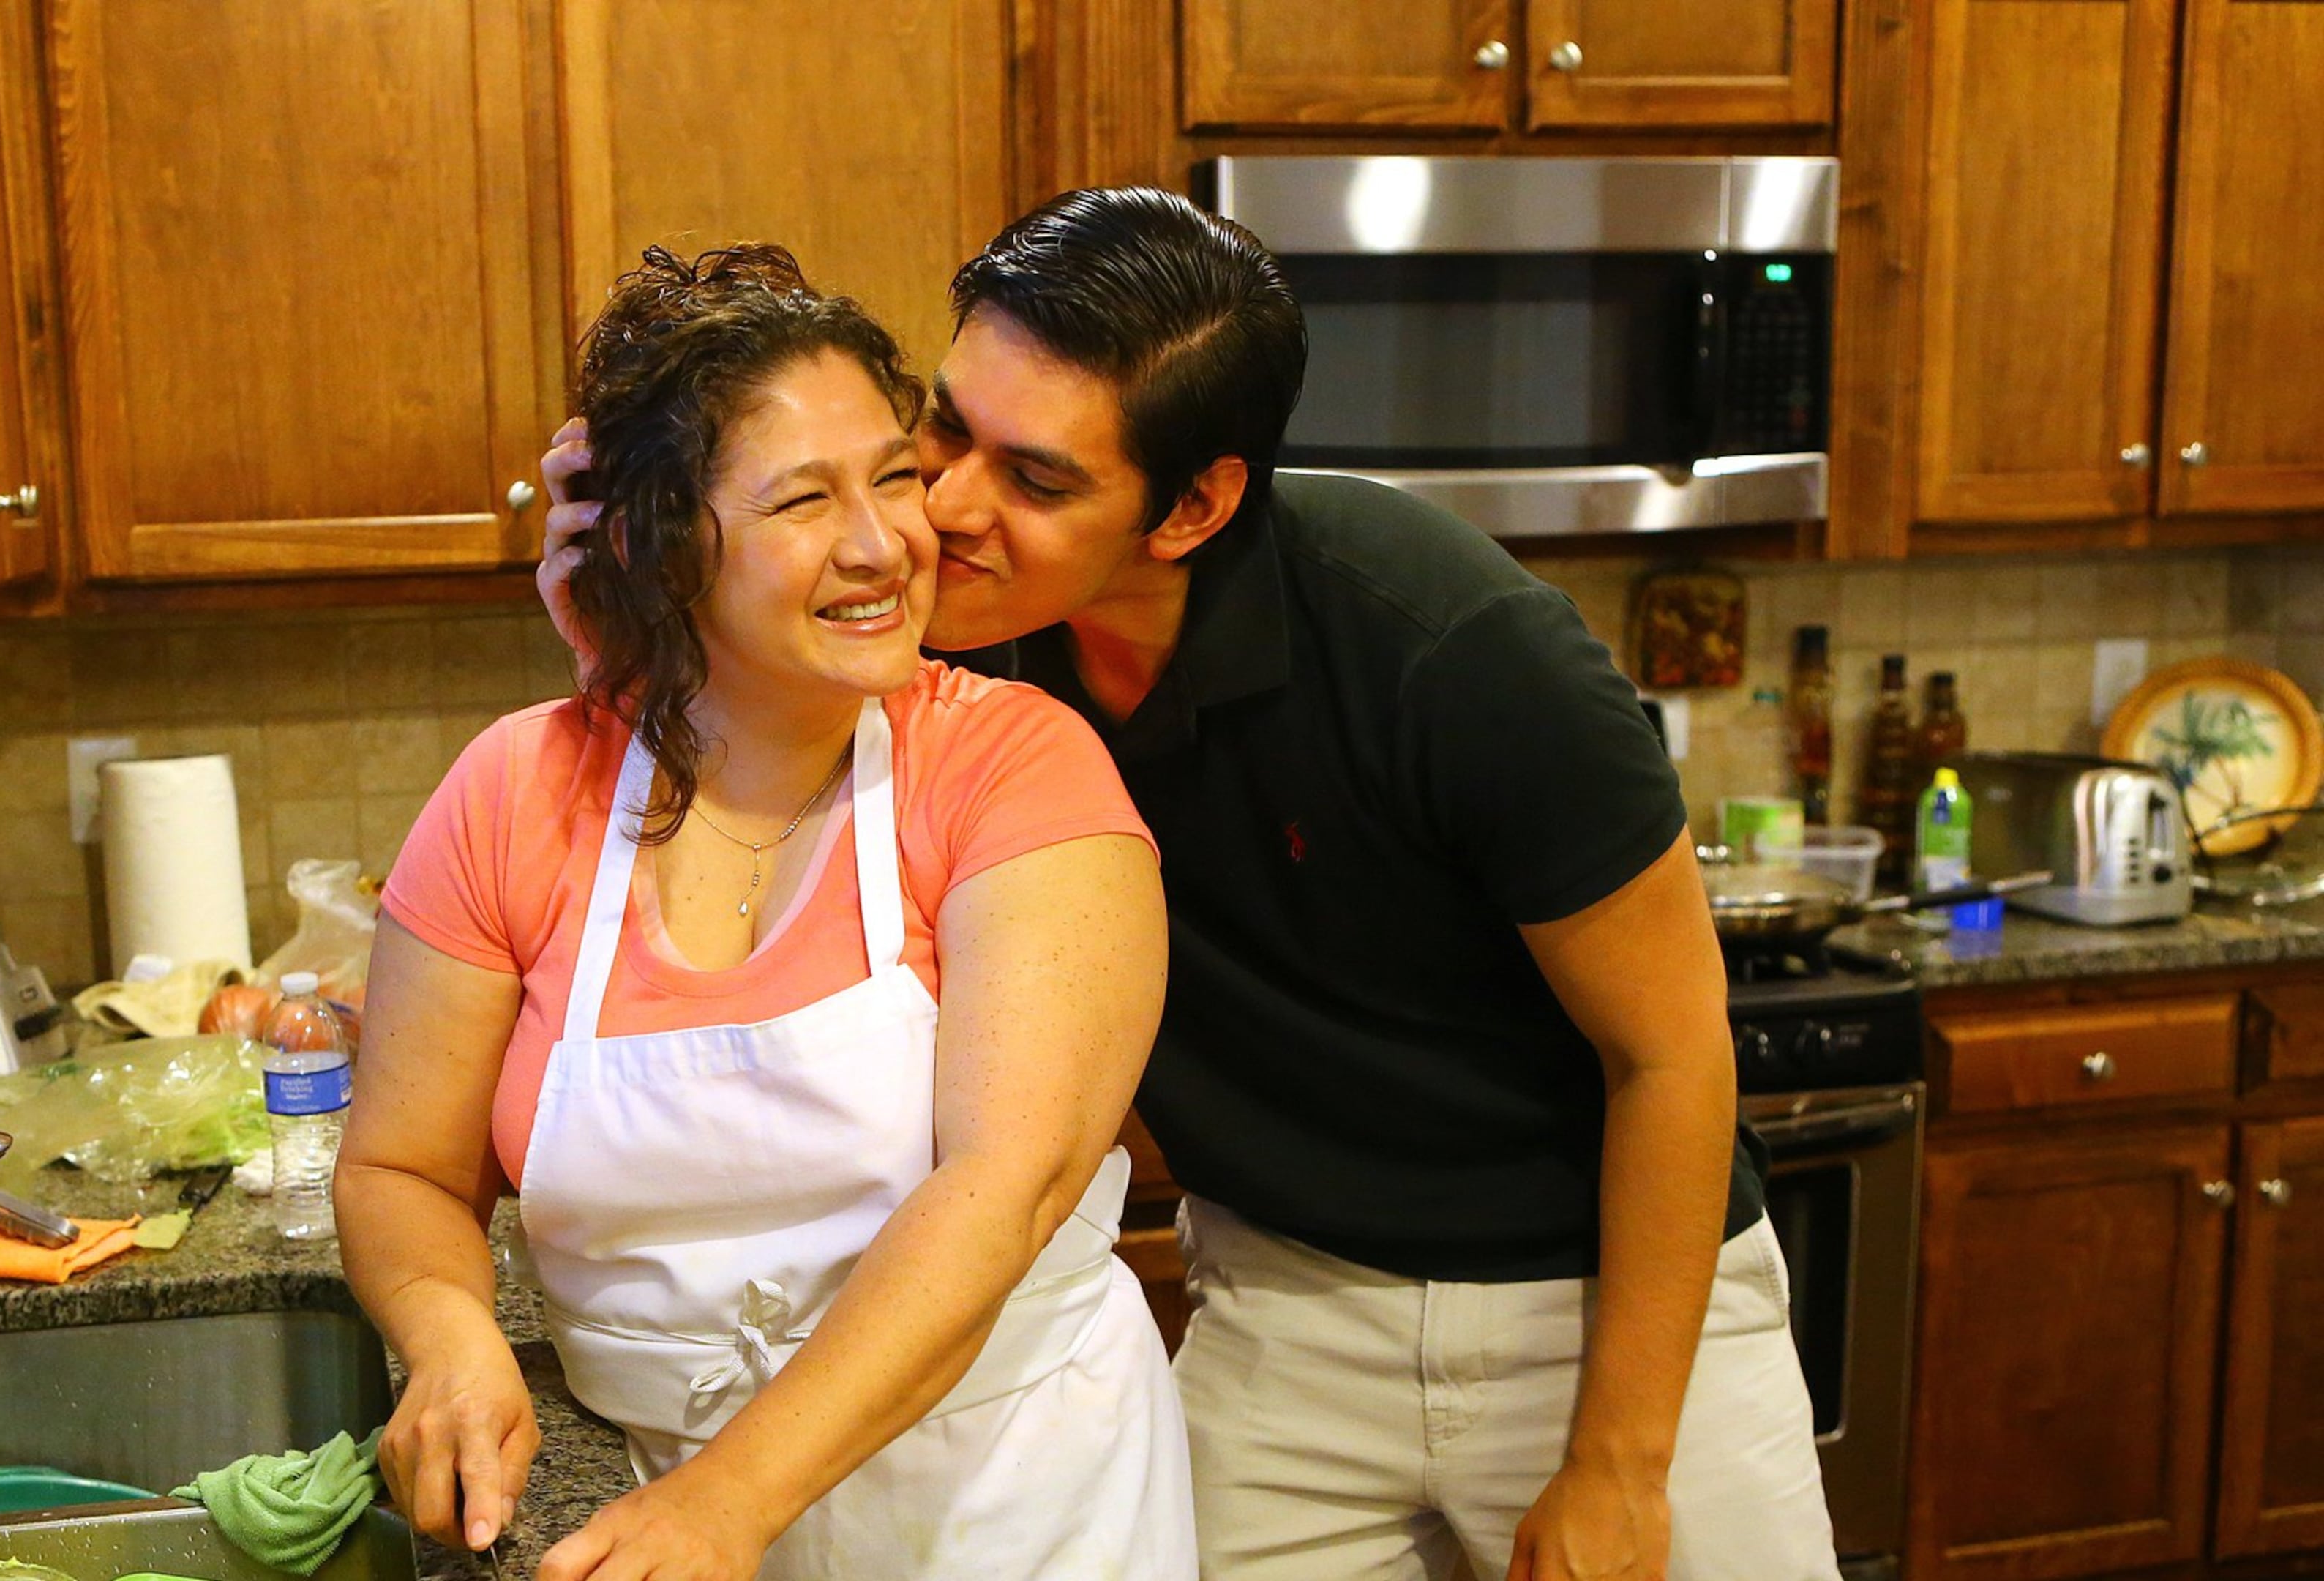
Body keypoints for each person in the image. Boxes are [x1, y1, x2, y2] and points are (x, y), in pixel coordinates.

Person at [540, 191, 1839, 1581]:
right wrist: (635, 605)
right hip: (1281, 1308)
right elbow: (728, 758)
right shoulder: (938, 655)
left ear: (1197, 505)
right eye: (948, 432)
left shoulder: (1456, 650)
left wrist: (1622, 1464)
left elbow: (1674, 1050)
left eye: (1037, 483)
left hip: (1607, 1316)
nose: (951, 513)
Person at [340, 243, 1196, 1581]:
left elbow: (1002, 1189)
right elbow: (402, 1170)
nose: (883, 544)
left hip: (1013, 1507)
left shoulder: (1014, 767)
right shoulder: (514, 792)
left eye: (895, 478)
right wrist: (449, 1341)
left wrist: (733, 1502)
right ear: (662, 541)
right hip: (656, 1509)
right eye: (803, 500)